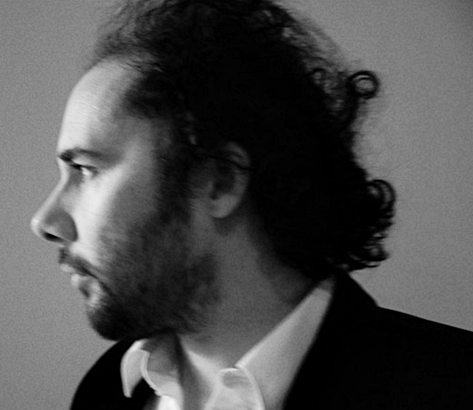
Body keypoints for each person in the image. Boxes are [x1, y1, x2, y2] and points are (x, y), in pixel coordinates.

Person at [30, 0, 473, 409]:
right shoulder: (106, 390)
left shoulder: (449, 388)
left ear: (220, 182)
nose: (45, 221)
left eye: (85, 170)